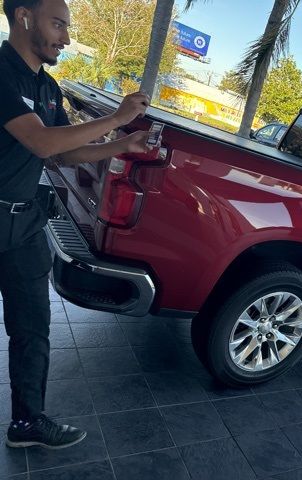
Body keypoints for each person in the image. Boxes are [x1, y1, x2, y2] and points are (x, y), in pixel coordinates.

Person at [0, 0, 152, 449]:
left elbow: (65, 153)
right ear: (24, 17)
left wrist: (124, 143)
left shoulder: (49, 90)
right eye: (59, 24)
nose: (66, 37)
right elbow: (41, 141)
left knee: (32, 328)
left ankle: (27, 423)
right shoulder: (0, 73)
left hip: (24, 223)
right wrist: (118, 117)